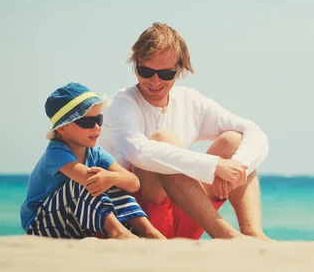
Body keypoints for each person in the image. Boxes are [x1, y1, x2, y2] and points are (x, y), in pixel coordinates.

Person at [99, 22, 270, 239]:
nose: (154, 81)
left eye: (165, 74)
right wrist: (215, 166)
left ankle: (254, 234)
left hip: (187, 212)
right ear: (135, 66)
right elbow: (139, 152)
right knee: (162, 140)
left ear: (179, 69)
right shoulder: (121, 104)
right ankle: (226, 235)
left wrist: (238, 167)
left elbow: (254, 132)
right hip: (142, 220)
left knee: (233, 142)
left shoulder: (189, 101)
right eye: (146, 71)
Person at [20, 82, 165, 239]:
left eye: (99, 119)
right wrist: (108, 178)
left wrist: (113, 178)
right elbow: (87, 179)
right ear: (62, 128)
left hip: (76, 224)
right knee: (92, 181)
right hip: (42, 226)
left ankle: (149, 231)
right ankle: (118, 232)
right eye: (87, 122)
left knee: (111, 181)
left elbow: (134, 183)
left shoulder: (95, 153)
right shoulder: (56, 152)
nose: (96, 127)